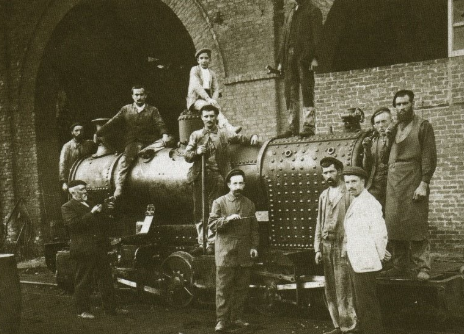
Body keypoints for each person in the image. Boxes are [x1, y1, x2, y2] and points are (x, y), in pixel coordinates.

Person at [184, 105, 258, 255]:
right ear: (201, 118)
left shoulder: (224, 133)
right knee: (199, 210)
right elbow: (187, 155)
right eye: (206, 116)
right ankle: (201, 241)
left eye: (212, 116)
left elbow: (239, 138)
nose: (209, 119)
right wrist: (197, 152)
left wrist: (252, 138)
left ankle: (211, 242)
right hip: (200, 176)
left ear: (216, 117)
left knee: (214, 209)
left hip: (218, 176)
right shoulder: (196, 135)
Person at [383, 90, 437, 281]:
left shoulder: (423, 126)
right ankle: (399, 265)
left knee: (416, 223)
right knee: (394, 222)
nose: (401, 107)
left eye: (405, 103)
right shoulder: (393, 128)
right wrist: (386, 138)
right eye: (397, 104)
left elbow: (429, 156)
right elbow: (384, 159)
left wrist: (424, 183)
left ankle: (423, 266)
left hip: (414, 180)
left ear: (412, 103)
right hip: (393, 184)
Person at [61, 180, 126, 319]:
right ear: (73, 192)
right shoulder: (67, 207)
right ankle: (82, 310)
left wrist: (107, 209)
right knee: (83, 281)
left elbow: (101, 223)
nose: (85, 192)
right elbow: (75, 226)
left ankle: (110, 309)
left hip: (99, 248)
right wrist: (92, 213)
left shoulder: (90, 204)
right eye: (82, 189)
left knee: (106, 279)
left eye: (85, 189)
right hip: (84, 249)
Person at [96, 85, 172, 199]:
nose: (139, 97)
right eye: (136, 95)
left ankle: (147, 150)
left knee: (170, 139)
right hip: (134, 141)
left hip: (151, 140)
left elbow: (160, 123)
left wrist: (164, 135)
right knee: (125, 161)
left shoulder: (153, 110)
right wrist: (99, 132)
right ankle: (119, 186)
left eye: (141, 94)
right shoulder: (126, 109)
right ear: (132, 96)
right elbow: (113, 121)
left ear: (145, 96)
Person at [208, 169, 259, 332]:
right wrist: (227, 220)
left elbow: (254, 229)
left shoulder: (249, 204)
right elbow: (211, 225)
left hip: (244, 253)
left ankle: (236, 318)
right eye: (235, 183)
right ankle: (221, 320)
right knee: (223, 288)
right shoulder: (219, 202)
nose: (238, 186)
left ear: (244, 185)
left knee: (241, 288)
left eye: (241, 183)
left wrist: (253, 247)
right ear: (229, 185)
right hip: (225, 253)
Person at [342, 166, 389, 334]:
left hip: (366, 261)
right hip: (357, 261)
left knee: (367, 304)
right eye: (347, 182)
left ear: (363, 182)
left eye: (354, 181)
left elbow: (380, 233)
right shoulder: (358, 200)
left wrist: (379, 256)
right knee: (361, 303)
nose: (350, 186)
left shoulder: (369, 203)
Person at [314, 157, 357, 334]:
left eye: (331, 171)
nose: (328, 176)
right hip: (326, 246)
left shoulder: (348, 193)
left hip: (342, 245)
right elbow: (319, 222)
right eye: (325, 173)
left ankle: (350, 326)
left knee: (344, 287)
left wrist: (348, 244)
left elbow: (354, 221)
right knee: (330, 288)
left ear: (339, 171)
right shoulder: (324, 195)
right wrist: (317, 248)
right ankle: (337, 326)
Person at [277, 0, 323, 138]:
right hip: (289, 59)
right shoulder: (290, 13)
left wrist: (315, 57)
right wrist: (281, 61)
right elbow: (284, 38)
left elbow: (318, 36)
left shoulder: (313, 10)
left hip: (304, 57)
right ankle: (292, 126)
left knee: (306, 90)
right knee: (290, 93)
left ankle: (309, 125)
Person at [187, 48, 241, 134]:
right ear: (198, 60)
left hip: (208, 100)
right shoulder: (194, 70)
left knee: (216, 108)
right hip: (196, 100)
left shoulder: (212, 73)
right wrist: (208, 99)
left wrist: (214, 100)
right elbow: (197, 86)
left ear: (210, 60)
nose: (204, 60)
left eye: (206, 58)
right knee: (209, 107)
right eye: (201, 58)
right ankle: (227, 128)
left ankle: (225, 129)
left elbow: (216, 89)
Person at [362, 107, 394, 209]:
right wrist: (366, 150)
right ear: (374, 126)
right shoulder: (374, 141)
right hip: (375, 186)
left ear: (391, 122)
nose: (381, 125)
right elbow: (367, 166)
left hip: (392, 186)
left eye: (384, 121)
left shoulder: (397, 138)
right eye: (378, 123)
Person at [59, 123, 97, 192]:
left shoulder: (89, 144)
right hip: (73, 176)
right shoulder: (67, 146)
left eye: (81, 130)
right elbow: (63, 164)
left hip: (87, 176)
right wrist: (64, 182)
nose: (79, 133)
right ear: (72, 132)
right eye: (76, 130)